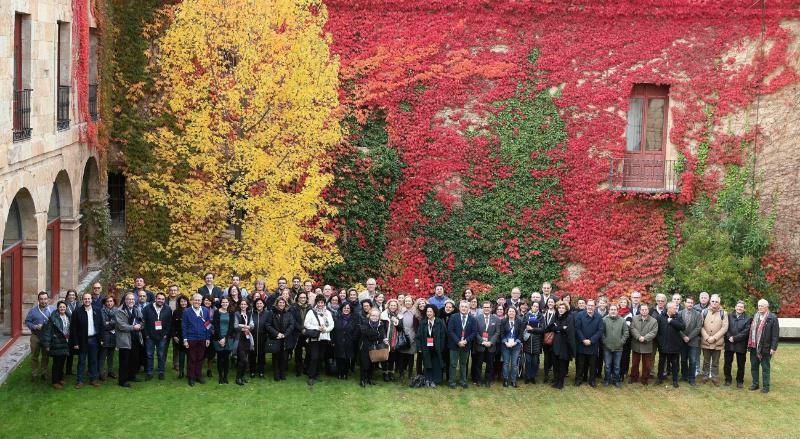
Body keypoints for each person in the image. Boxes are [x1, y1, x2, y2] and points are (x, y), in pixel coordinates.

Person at [70, 292, 103, 388]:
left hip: (94, 339)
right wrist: (75, 342)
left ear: (91, 300)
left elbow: (101, 326)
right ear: (82, 300)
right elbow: (74, 329)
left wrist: (101, 339)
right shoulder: (77, 312)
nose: (87, 300)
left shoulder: (97, 310)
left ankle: (93, 379)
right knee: (81, 361)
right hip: (82, 340)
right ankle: (80, 381)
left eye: (89, 299)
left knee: (93, 361)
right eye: (85, 299)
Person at [748, 299, 779, 393]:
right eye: (759, 305)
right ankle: (755, 384)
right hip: (754, 346)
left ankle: (766, 386)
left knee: (765, 367)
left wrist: (773, 348)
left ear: (767, 307)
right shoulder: (756, 316)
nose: (760, 307)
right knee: (754, 366)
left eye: (762, 306)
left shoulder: (772, 318)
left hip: (766, 347)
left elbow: (775, 335)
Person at [182, 293, 212, 386]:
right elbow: (184, 326)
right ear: (192, 300)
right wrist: (185, 339)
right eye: (195, 300)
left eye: (199, 300)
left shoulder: (205, 310)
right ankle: (191, 377)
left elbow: (208, 325)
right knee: (192, 358)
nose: (197, 302)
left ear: (201, 301)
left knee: (200, 358)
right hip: (191, 338)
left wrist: (207, 338)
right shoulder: (187, 311)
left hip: (202, 338)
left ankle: (198, 375)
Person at [115, 292, 144, 387]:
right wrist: (133, 327)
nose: (131, 301)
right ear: (125, 300)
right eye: (129, 299)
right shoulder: (119, 311)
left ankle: (132, 376)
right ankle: (122, 381)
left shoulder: (136, 309)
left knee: (134, 359)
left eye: (132, 299)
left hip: (135, 337)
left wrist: (141, 325)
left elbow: (142, 320)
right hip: (125, 339)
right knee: (124, 361)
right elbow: (121, 326)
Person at [25, 291, 55, 382]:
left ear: (48, 299)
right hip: (36, 336)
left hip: (47, 337)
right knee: (35, 356)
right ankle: (34, 373)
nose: (43, 301)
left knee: (45, 356)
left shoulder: (53, 309)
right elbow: (27, 321)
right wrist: (34, 326)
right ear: (38, 300)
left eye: (45, 299)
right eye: (41, 299)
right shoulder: (33, 311)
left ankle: (44, 373)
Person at [446, 300, 476, 389]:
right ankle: (452, 381)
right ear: (459, 308)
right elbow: (450, 331)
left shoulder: (472, 319)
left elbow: (474, 332)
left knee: (463, 364)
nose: (464, 308)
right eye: (462, 306)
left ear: (469, 308)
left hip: (466, 345)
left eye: (466, 307)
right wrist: (458, 342)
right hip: (454, 345)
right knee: (453, 364)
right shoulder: (453, 317)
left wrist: (465, 341)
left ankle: (463, 381)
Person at [304, 295, 334, 386]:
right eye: (319, 302)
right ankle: (311, 376)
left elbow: (332, 324)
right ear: (316, 303)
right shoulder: (311, 312)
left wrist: (325, 329)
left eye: (322, 302)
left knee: (320, 357)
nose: (320, 304)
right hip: (315, 338)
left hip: (324, 337)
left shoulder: (328, 312)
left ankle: (316, 373)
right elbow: (306, 324)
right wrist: (318, 328)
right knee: (314, 357)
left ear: (324, 303)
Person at [142, 292, 172, 381]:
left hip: (162, 336)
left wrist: (166, 334)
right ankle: (149, 372)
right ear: (155, 298)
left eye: (163, 299)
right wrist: (146, 335)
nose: (161, 301)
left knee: (161, 355)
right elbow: (144, 322)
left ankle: (161, 372)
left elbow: (169, 323)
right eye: (159, 299)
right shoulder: (147, 308)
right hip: (150, 336)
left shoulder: (168, 309)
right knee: (149, 355)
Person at [40, 301, 70, 389]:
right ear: (58, 308)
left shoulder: (68, 316)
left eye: (64, 307)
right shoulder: (53, 318)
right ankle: (55, 381)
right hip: (56, 342)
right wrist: (47, 344)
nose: (62, 308)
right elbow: (47, 331)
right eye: (60, 307)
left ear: (66, 308)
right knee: (56, 363)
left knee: (62, 362)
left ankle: (60, 378)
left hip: (65, 342)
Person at [700, 294, 728, 385]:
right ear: (710, 301)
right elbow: (700, 326)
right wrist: (707, 337)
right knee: (706, 361)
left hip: (717, 342)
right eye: (713, 301)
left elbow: (724, 327)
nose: (714, 303)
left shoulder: (723, 313)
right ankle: (705, 376)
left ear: (719, 303)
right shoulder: (704, 312)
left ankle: (715, 378)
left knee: (715, 362)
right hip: (706, 341)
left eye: (716, 301)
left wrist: (714, 338)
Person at [574, 299, 603, 387]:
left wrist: (591, 340)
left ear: (595, 307)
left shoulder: (599, 317)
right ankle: (578, 379)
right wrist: (583, 339)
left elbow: (600, 331)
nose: (590, 307)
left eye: (592, 305)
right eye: (589, 305)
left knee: (593, 365)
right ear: (586, 306)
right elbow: (577, 328)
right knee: (580, 364)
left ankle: (592, 380)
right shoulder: (580, 315)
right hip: (581, 343)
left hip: (593, 345)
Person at [724, 300, 752, 388]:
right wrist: (729, 337)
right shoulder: (728, 316)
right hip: (729, 343)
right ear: (735, 307)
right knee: (727, 363)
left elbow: (746, 332)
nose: (739, 308)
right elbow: (725, 328)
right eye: (738, 306)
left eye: (741, 307)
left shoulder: (748, 318)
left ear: (744, 309)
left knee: (741, 364)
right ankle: (727, 379)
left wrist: (734, 338)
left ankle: (740, 381)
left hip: (741, 344)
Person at [267, 297, 296, 381]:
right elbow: (268, 325)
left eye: (283, 303)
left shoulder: (288, 313)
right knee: (276, 357)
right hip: (275, 338)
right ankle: (276, 375)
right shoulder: (272, 313)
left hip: (285, 339)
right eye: (280, 302)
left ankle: (282, 375)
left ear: (285, 304)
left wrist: (284, 334)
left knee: (284, 358)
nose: (281, 304)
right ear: (277, 303)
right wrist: (277, 333)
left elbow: (291, 325)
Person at [629, 303, 658, 385]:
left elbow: (654, 332)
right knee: (635, 363)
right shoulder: (634, 319)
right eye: (642, 309)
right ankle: (633, 377)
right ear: (640, 310)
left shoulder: (654, 321)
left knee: (647, 365)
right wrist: (638, 337)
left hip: (647, 344)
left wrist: (645, 338)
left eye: (646, 309)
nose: (644, 311)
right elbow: (632, 328)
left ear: (648, 310)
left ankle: (645, 379)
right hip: (636, 344)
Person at [472, 300, 500, 387]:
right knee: (478, 364)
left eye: (488, 307)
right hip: (480, 345)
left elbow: (497, 332)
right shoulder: (477, 318)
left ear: (491, 308)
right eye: (485, 307)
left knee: (490, 364)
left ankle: (488, 380)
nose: (486, 309)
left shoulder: (496, 319)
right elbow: (475, 332)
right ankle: (478, 380)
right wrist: (483, 341)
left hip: (491, 346)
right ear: (482, 308)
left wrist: (491, 342)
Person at [417, 304, 446, 385]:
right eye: (427, 311)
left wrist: (441, 347)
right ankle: (428, 380)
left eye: (430, 311)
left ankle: (436, 380)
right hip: (426, 347)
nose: (428, 313)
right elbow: (418, 336)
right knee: (427, 363)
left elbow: (443, 336)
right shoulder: (423, 323)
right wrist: (419, 347)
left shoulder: (439, 322)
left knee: (436, 364)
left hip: (437, 348)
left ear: (434, 312)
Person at [549, 301, 575, 389]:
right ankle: (556, 381)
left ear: (566, 309)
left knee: (562, 365)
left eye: (563, 308)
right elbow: (551, 327)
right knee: (555, 364)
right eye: (559, 308)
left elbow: (569, 330)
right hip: (555, 343)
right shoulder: (555, 316)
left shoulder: (569, 317)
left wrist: (558, 328)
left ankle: (560, 383)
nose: (561, 309)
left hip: (564, 344)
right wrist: (560, 328)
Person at [359, 308, 387, 387]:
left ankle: (369, 379)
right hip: (365, 346)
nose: (375, 317)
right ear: (369, 315)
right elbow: (366, 333)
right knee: (364, 364)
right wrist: (377, 335)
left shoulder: (381, 324)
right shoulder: (365, 323)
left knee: (372, 363)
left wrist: (376, 335)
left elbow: (381, 335)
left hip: (375, 347)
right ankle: (362, 380)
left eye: (377, 316)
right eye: (373, 315)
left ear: (379, 317)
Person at [602, 304, 628, 387]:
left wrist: (621, 342)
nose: (613, 311)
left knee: (617, 366)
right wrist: (605, 341)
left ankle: (616, 380)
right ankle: (607, 379)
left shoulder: (622, 320)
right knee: (607, 365)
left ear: (617, 311)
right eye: (611, 309)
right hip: (607, 347)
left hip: (618, 347)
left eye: (615, 309)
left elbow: (626, 332)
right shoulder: (604, 320)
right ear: (609, 311)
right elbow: (601, 332)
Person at [660, 302, 686, 388]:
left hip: (675, 345)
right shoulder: (661, 316)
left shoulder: (678, 316)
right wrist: (660, 342)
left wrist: (672, 321)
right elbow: (658, 330)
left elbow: (682, 327)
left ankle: (675, 380)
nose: (676, 310)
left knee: (675, 363)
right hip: (663, 345)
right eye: (674, 308)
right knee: (661, 362)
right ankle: (660, 379)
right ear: (669, 308)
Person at [333, 302, 360, 380]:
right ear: (341, 309)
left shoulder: (354, 319)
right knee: (339, 358)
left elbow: (357, 330)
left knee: (347, 359)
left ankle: (345, 373)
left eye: (348, 308)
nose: (346, 309)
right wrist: (334, 341)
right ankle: (339, 373)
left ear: (350, 309)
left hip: (349, 342)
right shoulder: (337, 317)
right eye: (344, 308)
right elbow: (334, 330)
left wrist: (352, 339)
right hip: (338, 341)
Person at [212, 297, 236, 384]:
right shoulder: (216, 312)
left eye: (226, 302)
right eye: (223, 302)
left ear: (228, 303)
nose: (225, 304)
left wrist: (225, 338)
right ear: (221, 303)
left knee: (226, 358)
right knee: (219, 358)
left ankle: (225, 377)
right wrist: (220, 338)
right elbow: (215, 326)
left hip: (228, 338)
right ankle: (220, 377)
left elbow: (231, 327)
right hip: (218, 338)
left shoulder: (231, 312)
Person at [500, 306, 525, 388]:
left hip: (516, 346)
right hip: (505, 345)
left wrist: (516, 342)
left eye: (513, 311)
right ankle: (505, 380)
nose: (511, 313)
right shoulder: (503, 321)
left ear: (515, 313)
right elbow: (501, 334)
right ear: (507, 312)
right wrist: (505, 342)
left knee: (514, 364)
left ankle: (513, 381)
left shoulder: (520, 322)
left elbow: (521, 334)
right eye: (510, 311)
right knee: (506, 363)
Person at [679, 296, 702, 386]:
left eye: (691, 303)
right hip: (682, 340)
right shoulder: (680, 313)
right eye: (688, 302)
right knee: (683, 360)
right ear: (685, 303)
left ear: (693, 304)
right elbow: (678, 327)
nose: (690, 304)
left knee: (693, 360)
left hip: (693, 341)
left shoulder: (698, 314)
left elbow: (698, 327)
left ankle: (692, 378)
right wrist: (684, 336)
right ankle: (684, 376)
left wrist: (689, 337)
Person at [381, 299, 403, 381]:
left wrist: (396, 322)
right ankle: (385, 373)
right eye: (391, 305)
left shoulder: (399, 315)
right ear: (388, 306)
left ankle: (391, 373)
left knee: (392, 357)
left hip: (395, 340)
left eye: (395, 305)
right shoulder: (383, 315)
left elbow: (401, 328)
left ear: (397, 306)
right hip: (386, 338)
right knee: (385, 357)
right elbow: (382, 328)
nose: (393, 307)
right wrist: (384, 338)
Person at [522, 301, 544, 384]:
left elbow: (542, 329)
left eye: (537, 306)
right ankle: (527, 377)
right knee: (528, 361)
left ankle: (533, 376)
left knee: (535, 362)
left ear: (538, 308)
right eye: (534, 306)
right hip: (527, 341)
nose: (535, 307)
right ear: (531, 307)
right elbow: (523, 326)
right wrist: (526, 326)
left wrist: (533, 329)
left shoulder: (541, 316)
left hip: (537, 342)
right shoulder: (527, 315)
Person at [397, 296, 418, 381]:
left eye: (409, 301)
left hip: (412, 335)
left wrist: (413, 336)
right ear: (404, 302)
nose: (408, 303)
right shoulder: (400, 311)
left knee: (410, 356)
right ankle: (401, 374)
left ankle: (410, 374)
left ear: (412, 302)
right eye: (406, 301)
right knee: (401, 356)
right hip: (402, 335)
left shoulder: (415, 312)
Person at [234, 300, 253, 385]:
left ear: (247, 305)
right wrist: (244, 327)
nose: (243, 305)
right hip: (239, 339)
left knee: (245, 359)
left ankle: (242, 377)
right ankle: (238, 378)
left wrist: (246, 326)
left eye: (244, 304)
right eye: (241, 304)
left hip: (247, 339)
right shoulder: (237, 314)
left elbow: (252, 325)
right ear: (239, 305)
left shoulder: (249, 314)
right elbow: (235, 325)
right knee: (243, 360)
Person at [249, 298, 269, 379]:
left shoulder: (267, 313)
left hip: (263, 336)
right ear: (255, 305)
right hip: (252, 336)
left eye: (260, 303)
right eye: (257, 303)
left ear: (263, 304)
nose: (259, 305)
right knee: (252, 355)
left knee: (261, 355)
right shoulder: (251, 313)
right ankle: (252, 371)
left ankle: (261, 371)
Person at [171, 295, 190, 379]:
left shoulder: (191, 311)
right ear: (179, 303)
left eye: (185, 301)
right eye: (181, 301)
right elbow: (173, 325)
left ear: (187, 302)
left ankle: (189, 372)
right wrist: (174, 336)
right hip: (179, 336)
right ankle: (181, 371)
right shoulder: (176, 312)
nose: (183, 303)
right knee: (181, 355)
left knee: (190, 355)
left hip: (190, 336)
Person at [99, 295, 117, 381]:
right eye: (107, 301)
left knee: (111, 354)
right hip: (105, 335)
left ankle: (110, 371)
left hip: (114, 336)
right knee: (103, 355)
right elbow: (103, 324)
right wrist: (111, 323)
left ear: (114, 302)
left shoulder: (117, 311)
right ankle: (101, 372)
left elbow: (117, 322)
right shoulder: (101, 311)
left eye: (111, 301)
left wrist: (109, 322)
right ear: (105, 303)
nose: (109, 303)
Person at [541, 297, 557, 383]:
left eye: (552, 302)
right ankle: (546, 375)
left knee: (554, 358)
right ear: (547, 303)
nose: (550, 303)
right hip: (545, 338)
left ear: (554, 303)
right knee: (546, 358)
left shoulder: (557, 313)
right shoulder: (544, 313)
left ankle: (555, 376)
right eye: (549, 302)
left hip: (554, 338)